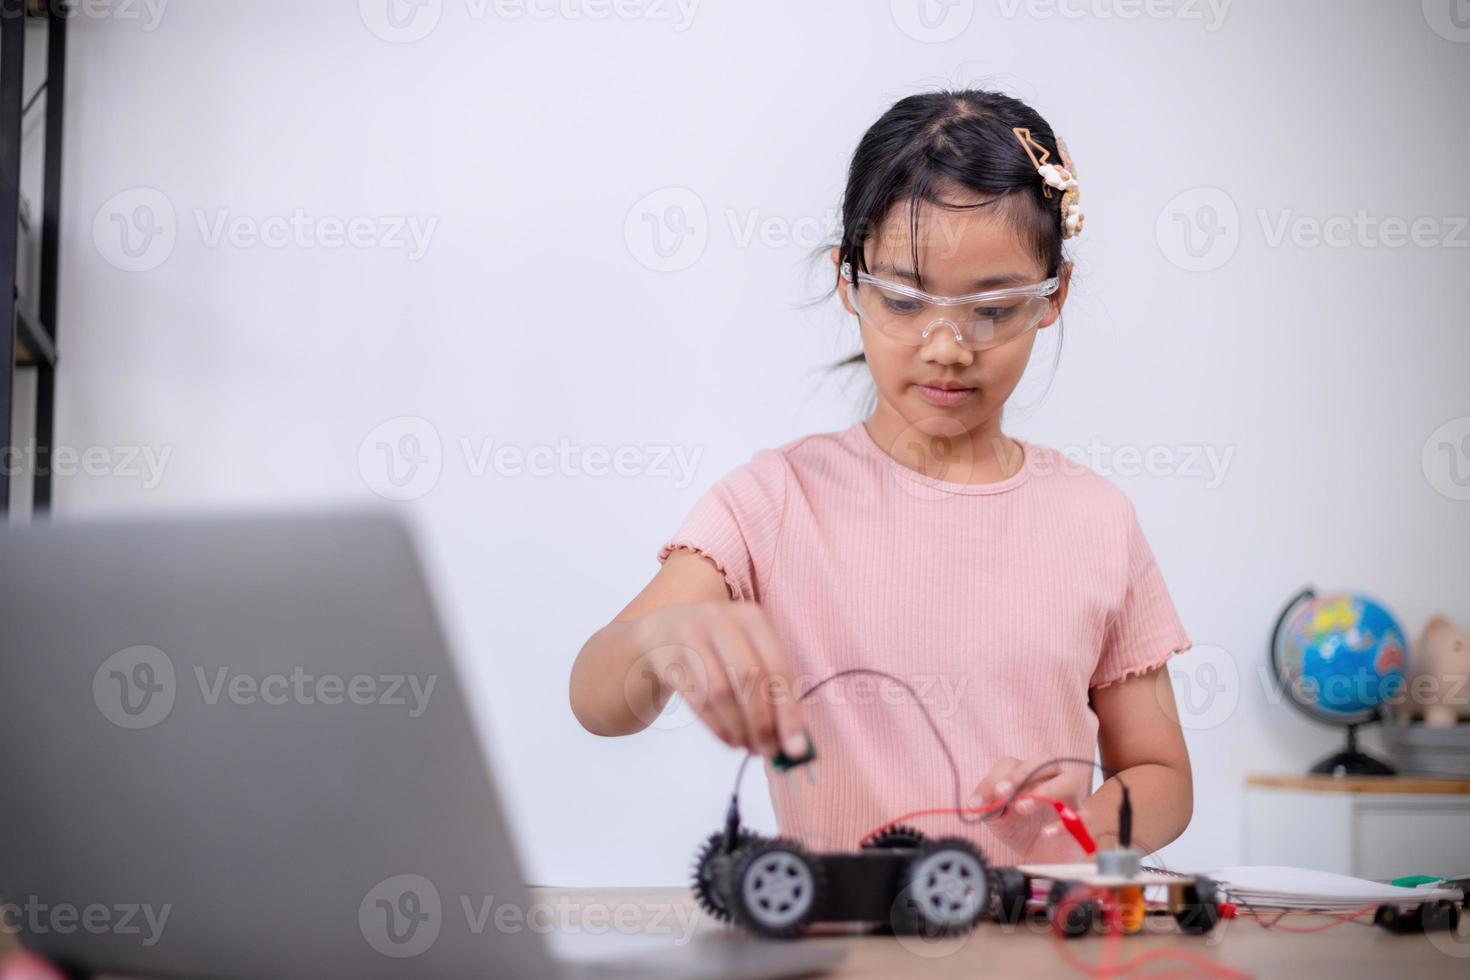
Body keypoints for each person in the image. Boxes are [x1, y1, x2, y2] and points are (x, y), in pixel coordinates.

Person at [569, 89, 1193, 866]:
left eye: (994, 308)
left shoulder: (1096, 520)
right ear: (847, 281)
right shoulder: (775, 502)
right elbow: (599, 698)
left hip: (1029, 949)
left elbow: (1160, 775)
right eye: (902, 299)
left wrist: (1075, 834)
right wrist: (663, 640)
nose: (947, 346)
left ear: (1053, 297)